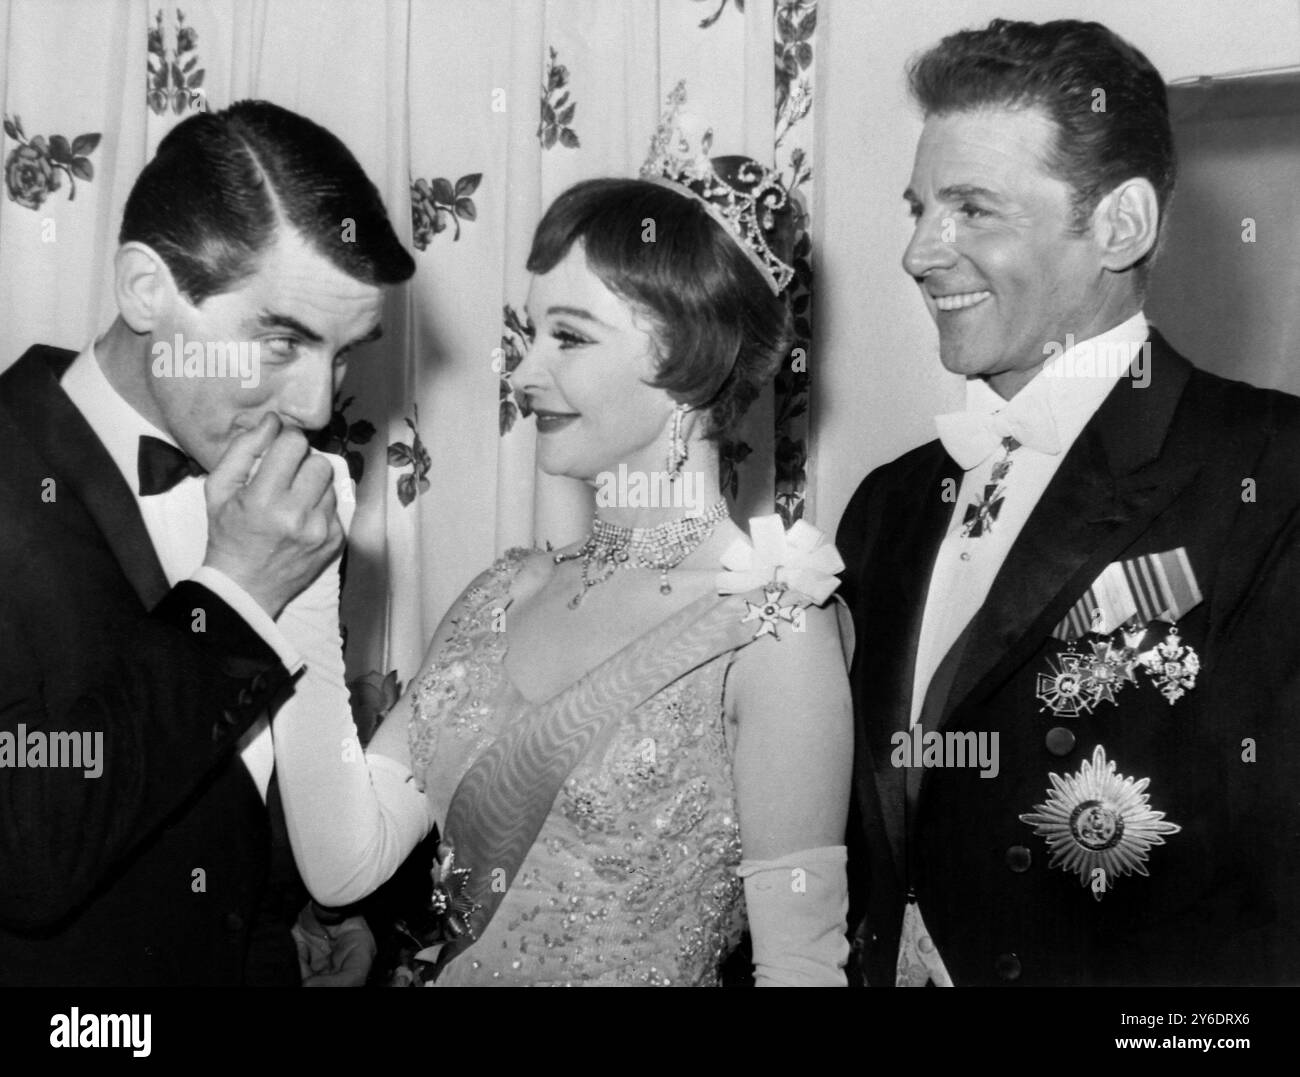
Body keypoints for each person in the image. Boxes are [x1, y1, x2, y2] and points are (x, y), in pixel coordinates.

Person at [275, 90, 854, 986]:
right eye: (530, 332)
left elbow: (804, 969)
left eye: (569, 338)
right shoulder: (504, 595)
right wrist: (303, 590)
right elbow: (343, 860)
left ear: (688, 357)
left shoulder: (773, 630)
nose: (524, 369)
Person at [837, 18, 1300, 987]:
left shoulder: (1271, 473)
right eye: (919, 207)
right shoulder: (886, 505)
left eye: (972, 210)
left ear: (1120, 225)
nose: (920, 252)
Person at [0, 100, 413, 985]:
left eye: (342, 355)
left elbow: (236, 783)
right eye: (280, 343)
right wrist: (232, 597)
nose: (314, 406)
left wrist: (310, 904)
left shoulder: (271, 476)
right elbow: (25, 849)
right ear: (148, 289)